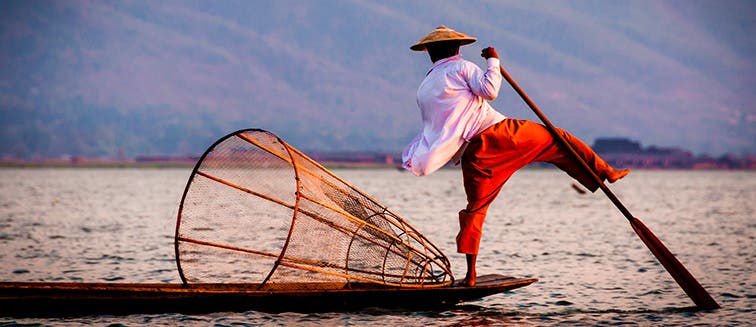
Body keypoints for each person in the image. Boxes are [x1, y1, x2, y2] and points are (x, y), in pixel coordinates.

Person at [402, 26, 629, 287]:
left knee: (475, 210)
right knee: (558, 139)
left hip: (475, 154)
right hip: (502, 135)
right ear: (455, 49)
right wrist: (493, 60)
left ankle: (471, 275)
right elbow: (490, 90)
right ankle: (604, 172)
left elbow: (438, 126)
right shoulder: (461, 67)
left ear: (430, 52)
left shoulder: (425, 85)